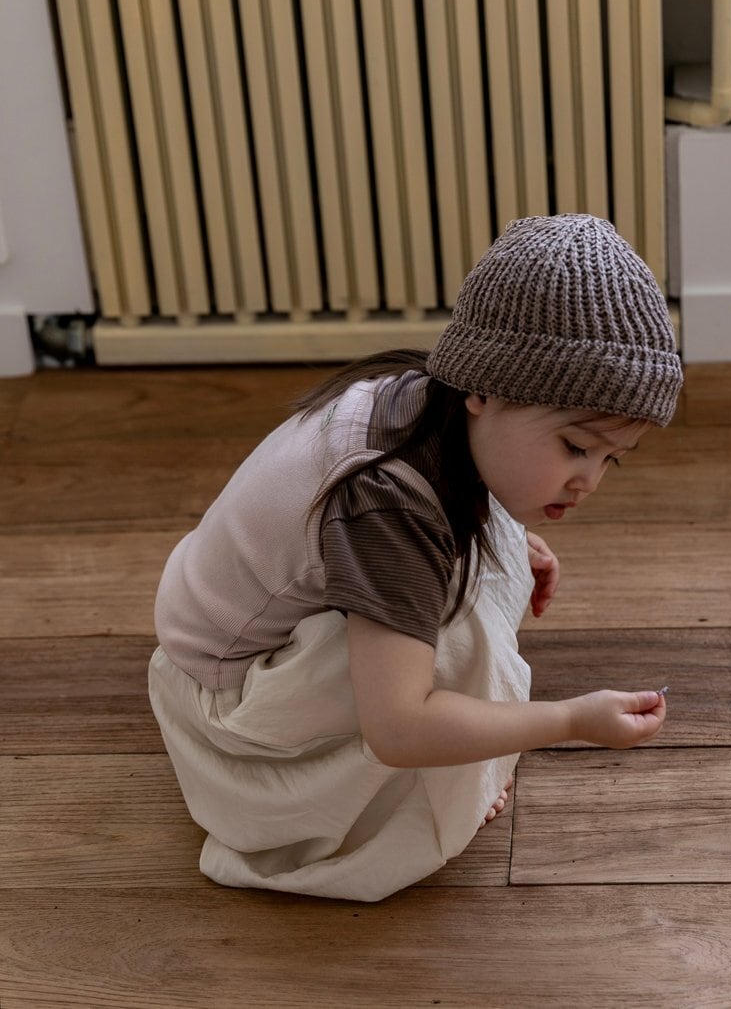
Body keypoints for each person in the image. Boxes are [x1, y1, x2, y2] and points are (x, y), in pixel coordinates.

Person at [148, 213, 684, 902]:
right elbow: (399, 730)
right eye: (577, 447)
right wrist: (570, 721)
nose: (590, 481)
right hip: (226, 707)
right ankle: (398, 801)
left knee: (482, 566)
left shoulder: (416, 399)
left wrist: (507, 539)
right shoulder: (385, 499)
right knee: (463, 639)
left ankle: (457, 737)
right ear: (482, 388)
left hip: (217, 632)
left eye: (613, 458)